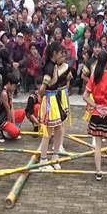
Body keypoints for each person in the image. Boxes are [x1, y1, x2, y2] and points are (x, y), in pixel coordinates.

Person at [82, 50, 107, 181]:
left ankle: (98, 171)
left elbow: (85, 96)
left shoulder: (94, 77)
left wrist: (95, 106)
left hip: (97, 113)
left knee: (97, 144)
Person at [37, 42, 66, 170]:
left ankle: (55, 157)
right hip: (49, 100)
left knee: (58, 129)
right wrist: (43, 97)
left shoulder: (53, 65)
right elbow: (42, 89)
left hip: (54, 98)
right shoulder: (50, 67)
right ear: (54, 53)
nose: (62, 55)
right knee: (48, 132)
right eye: (60, 53)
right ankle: (43, 160)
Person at [0, 73, 26, 142]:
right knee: (16, 132)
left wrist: (14, 124)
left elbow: (11, 107)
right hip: (2, 120)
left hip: (7, 115)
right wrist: (11, 125)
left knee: (23, 112)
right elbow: (8, 110)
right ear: (9, 83)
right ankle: (0, 130)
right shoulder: (4, 94)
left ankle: (12, 130)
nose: (15, 88)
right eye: (14, 86)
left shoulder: (10, 91)